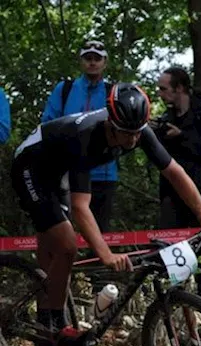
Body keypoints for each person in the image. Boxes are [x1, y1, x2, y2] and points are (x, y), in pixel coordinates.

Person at [9, 83, 201, 332]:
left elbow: (175, 172)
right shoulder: (85, 137)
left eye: (137, 133)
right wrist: (106, 254)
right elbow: (81, 207)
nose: (133, 140)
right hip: (31, 167)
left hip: (58, 170)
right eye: (126, 133)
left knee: (54, 246)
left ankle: (43, 323)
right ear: (111, 123)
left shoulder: (139, 130)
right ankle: (57, 323)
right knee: (67, 245)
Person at [41, 40, 116, 231]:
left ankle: (100, 261)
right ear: (81, 61)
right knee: (63, 230)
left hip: (103, 174)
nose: (92, 62)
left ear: (104, 62)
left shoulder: (113, 92)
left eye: (97, 59)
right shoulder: (64, 89)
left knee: (100, 232)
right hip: (66, 173)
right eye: (88, 58)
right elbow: (48, 124)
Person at [155, 67, 201, 229]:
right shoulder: (168, 116)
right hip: (172, 192)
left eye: (164, 89)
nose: (160, 94)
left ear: (179, 88)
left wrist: (181, 136)